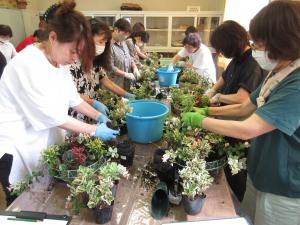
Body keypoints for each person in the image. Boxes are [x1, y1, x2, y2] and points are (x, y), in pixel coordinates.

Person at [181, 1, 300, 224]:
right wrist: (208, 109)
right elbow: (246, 107)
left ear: (280, 40)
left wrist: (201, 120)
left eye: (259, 42)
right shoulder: (277, 72)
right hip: (260, 173)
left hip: (283, 186)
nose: (255, 48)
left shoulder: (296, 83)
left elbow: (249, 128)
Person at [0, 1, 119, 197]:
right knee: (24, 204)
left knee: (45, 195)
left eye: (78, 54)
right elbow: (52, 116)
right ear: (53, 38)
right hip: (17, 149)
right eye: (73, 51)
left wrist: (98, 115)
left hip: (40, 143)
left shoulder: (59, 63)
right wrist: (94, 130)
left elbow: (73, 99)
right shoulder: (27, 63)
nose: (74, 59)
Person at [70, 19, 135, 121]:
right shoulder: (71, 62)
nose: (102, 46)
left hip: (91, 114)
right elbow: (69, 94)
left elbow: (107, 82)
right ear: (87, 39)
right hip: (76, 115)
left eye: (104, 43)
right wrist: (94, 103)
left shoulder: (94, 61)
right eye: (100, 41)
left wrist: (126, 94)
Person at [207, 20, 267, 106]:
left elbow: (241, 98)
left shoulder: (252, 62)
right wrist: (212, 90)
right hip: (224, 109)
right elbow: (225, 76)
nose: (220, 53)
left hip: (237, 115)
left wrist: (219, 97)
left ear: (230, 44)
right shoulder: (237, 57)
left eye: (221, 48)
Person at [109, 18, 140, 91]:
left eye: (127, 35)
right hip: (114, 85)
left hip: (125, 85)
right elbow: (110, 67)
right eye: (124, 34)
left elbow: (130, 58)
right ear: (116, 30)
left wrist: (135, 68)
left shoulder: (123, 43)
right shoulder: (108, 45)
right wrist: (125, 74)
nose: (125, 37)